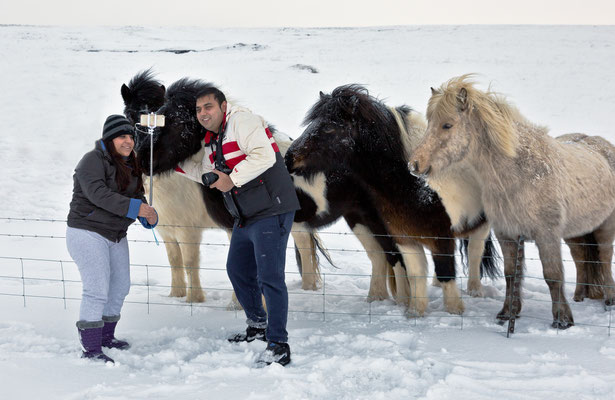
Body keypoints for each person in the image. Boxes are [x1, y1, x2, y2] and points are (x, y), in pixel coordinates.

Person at [175, 86, 299, 367]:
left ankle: (279, 343)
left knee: (270, 277)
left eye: (208, 107)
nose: (203, 113)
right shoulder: (213, 140)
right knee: (238, 270)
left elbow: (265, 156)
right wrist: (174, 164)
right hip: (246, 215)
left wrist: (232, 179)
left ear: (223, 106)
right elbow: (208, 173)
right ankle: (257, 324)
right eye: (199, 109)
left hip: (272, 209)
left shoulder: (243, 122)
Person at [66, 114, 158, 363]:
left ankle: (107, 337)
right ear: (109, 138)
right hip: (87, 231)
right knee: (96, 289)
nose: (128, 141)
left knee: (120, 287)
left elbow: (137, 196)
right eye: (122, 136)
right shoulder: (92, 160)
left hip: (116, 234)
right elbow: (98, 194)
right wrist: (134, 208)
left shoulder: (131, 163)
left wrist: (147, 214)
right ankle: (92, 349)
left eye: (130, 137)